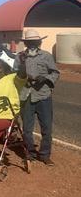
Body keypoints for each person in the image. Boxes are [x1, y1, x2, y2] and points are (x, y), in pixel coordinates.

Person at [13, 29, 60, 166]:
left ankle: (45, 155)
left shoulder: (46, 56)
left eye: (35, 42)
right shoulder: (20, 56)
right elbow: (15, 75)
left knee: (46, 128)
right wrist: (22, 67)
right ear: (26, 43)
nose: (32, 44)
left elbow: (55, 73)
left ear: (39, 42)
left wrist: (44, 78)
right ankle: (30, 153)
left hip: (43, 95)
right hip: (26, 96)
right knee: (27, 128)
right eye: (29, 42)